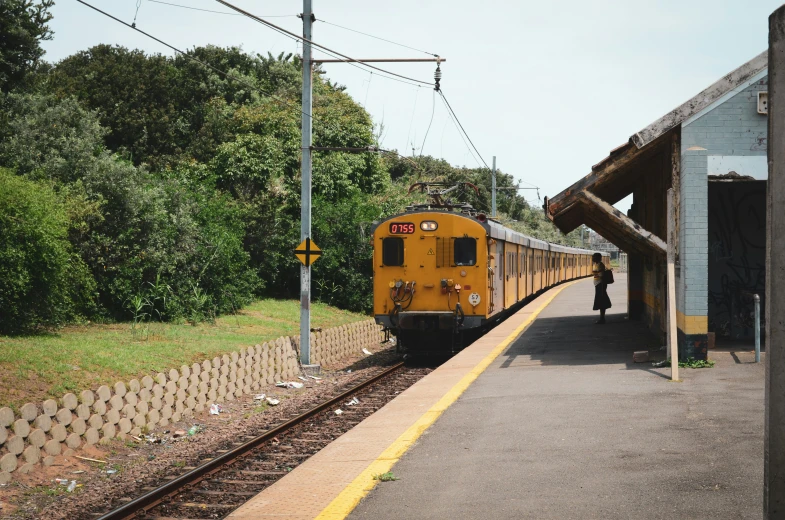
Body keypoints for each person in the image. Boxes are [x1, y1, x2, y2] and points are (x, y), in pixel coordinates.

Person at [592, 253, 611, 324]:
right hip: (598, 284)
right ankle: (602, 318)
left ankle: (602, 318)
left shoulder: (600, 265)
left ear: (598, 258)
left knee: (601, 301)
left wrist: (596, 274)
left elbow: (601, 275)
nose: (592, 259)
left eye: (594, 257)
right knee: (600, 301)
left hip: (601, 285)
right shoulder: (596, 264)